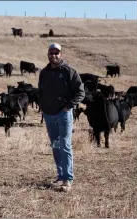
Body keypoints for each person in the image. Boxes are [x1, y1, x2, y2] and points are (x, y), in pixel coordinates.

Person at [38, 43, 85, 192]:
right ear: (48, 55)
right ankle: (60, 175)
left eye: (56, 52)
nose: (54, 55)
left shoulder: (69, 71)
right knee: (56, 145)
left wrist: (68, 106)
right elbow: (40, 91)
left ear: (61, 54)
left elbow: (80, 92)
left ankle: (68, 179)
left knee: (65, 145)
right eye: (51, 53)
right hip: (49, 114)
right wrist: (43, 107)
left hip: (63, 113)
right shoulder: (44, 72)